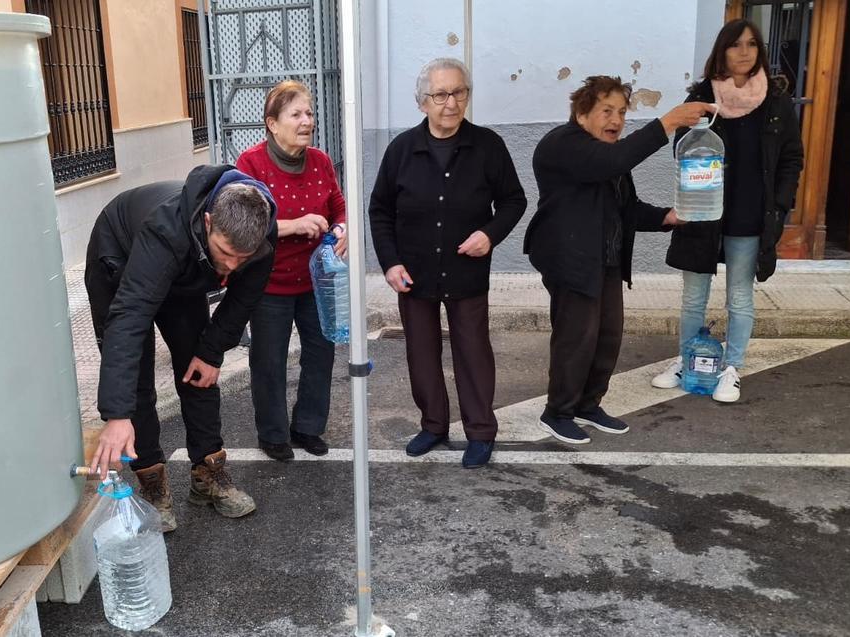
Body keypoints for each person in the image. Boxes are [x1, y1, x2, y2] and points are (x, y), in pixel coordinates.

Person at [85, 165, 277, 532]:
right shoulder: (166, 230)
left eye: (243, 258)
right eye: (226, 253)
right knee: (137, 382)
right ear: (208, 222)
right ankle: (152, 483)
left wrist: (212, 351)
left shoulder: (262, 229)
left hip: (187, 269)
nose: (231, 267)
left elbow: (245, 297)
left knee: (198, 369)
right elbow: (129, 316)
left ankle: (208, 473)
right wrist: (117, 413)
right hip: (119, 258)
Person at [525, 75, 711, 445]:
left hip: (605, 259)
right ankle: (557, 412)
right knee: (577, 338)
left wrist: (667, 217)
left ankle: (588, 405)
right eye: (607, 111)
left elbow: (628, 208)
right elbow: (611, 161)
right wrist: (669, 121)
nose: (616, 120)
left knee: (607, 336)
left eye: (622, 112)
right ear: (582, 114)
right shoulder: (562, 144)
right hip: (571, 259)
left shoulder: (608, 157)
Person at [368, 58, 527, 468]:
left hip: (466, 271)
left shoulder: (488, 146)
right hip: (414, 274)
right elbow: (380, 210)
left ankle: (480, 431)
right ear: (422, 101)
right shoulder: (401, 149)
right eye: (440, 94)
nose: (451, 102)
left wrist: (489, 234)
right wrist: (390, 263)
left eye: (459, 92)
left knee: (473, 353)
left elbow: (514, 200)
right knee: (421, 355)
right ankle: (433, 425)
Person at [651, 19, 804, 402]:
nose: (745, 51)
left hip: (750, 214)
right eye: (736, 44)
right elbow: (681, 152)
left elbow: (791, 158)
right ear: (722, 50)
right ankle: (688, 359)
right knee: (693, 297)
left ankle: (732, 368)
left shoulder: (775, 100)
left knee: (739, 296)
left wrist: (779, 206)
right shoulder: (702, 97)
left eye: (752, 44)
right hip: (702, 213)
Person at [235, 80, 346, 461]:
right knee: (269, 361)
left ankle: (308, 427)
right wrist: (295, 225)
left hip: (317, 282)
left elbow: (338, 207)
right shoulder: (251, 164)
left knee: (321, 354)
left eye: (309, 113)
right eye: (296, 114)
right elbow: (244, 224)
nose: (306, 121)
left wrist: (343, 229)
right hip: (269, 284)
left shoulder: (321, 161)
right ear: (272, 123)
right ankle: (273, 433)